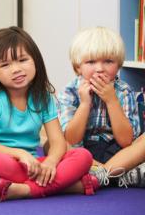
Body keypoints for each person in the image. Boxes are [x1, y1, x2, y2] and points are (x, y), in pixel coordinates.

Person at [0, 27, 97, 202]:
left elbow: (57, 142)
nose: (16, 69)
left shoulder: (43, 97)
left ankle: (25, 190)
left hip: (34, 165)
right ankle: (68, 186)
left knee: (83, 156)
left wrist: (51, 162)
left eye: (23, 60)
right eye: (5, 65)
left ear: (35, 61)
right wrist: (21, 155)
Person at [58, 26, 145, 188]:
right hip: (82, 153)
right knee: (54, 143)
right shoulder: (69, 92)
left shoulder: (124, 91)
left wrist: (112, 101)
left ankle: (100, 175)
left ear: (118, 65)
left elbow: (126, 141)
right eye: (91, 62)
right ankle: (117, 176)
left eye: (108, 61)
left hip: (118, 152)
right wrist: (85, 104)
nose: (99, 68)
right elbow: (71, 139)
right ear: (78, 67)